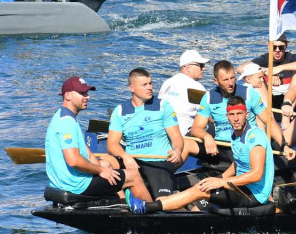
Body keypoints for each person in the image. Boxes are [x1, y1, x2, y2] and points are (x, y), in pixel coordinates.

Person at [126, 97, 275, 214]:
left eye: (239, 114)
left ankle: (148, 207)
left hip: (253, 195)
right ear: (227, 116)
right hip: (238, 187)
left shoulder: (255, 137)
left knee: (198, 190)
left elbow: (256, 174)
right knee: (198, 204)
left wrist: (222, 183)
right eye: (232, 114)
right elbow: (238, 163)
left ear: (247, 115)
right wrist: (218, 179)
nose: (236, 119)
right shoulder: (234, 135)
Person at [44, 76, 149, 201]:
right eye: (82, 93)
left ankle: (121, 205)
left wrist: (102, 167)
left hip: (64, 180)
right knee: (134, 176)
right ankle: (153, 216)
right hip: (75, 184)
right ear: (67, 96)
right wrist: (100, 170)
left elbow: (87, 152)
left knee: (106, 164)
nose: (87, 96)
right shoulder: (67, 122)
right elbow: (74, 161)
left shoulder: (62, 115)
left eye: (87, 92)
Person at [191, 60, 296, 162]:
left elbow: (269, 121)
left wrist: (284, 146)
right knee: (187, 144)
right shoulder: (209, 97)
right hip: (222, 146)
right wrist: (206, 137)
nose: (231, 83)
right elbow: (196, 128)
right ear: (216, 81)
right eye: (226, 80)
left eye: (232, 78)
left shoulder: (249, 94)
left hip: (246, 145)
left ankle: (225, 178)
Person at [107, 68, 184, 200]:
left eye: (150, 83)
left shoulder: (162, 106)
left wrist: (177, 150)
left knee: (164, 201)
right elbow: (111, 144)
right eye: (144, 85)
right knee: (104, 164)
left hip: (158, 161)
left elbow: (176, 136)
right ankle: (121, 201)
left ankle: (150, 205)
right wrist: (125, 156)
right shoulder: (120, 111)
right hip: (132, 160)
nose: (150, 88)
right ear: (132, 88)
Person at [251, 34, 296, 110]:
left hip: (292, 101)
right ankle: (266, 113)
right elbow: (241, 69)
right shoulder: (264, 59)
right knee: (253, 76)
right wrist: (270, 74)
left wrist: (280, 68)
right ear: (268, 46)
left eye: (281, 47)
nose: (277, 50)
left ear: (286, 46)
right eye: (274, 47)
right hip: (270, 100)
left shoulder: (291, 58)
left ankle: (287, 112)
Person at [158, 49, 209, 138]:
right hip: (185, 135)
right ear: (188, 67)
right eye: (201, 65)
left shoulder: (167, 82)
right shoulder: (196, 87)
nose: (203, 68)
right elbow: (208, 115)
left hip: (165, 134)